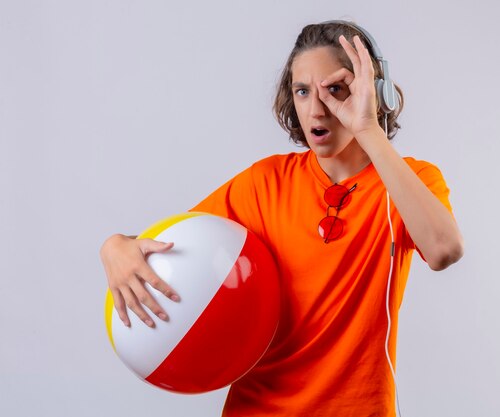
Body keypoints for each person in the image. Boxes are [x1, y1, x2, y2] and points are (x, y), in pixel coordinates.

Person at [100, 20, 464, 417]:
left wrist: (367, 128)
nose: (317, 109)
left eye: (336, 90)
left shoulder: (408, 181)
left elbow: (444, 249)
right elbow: (178, 247)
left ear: (372, 92)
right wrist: (115, 247)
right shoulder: (264, 182)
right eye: (303, 91)